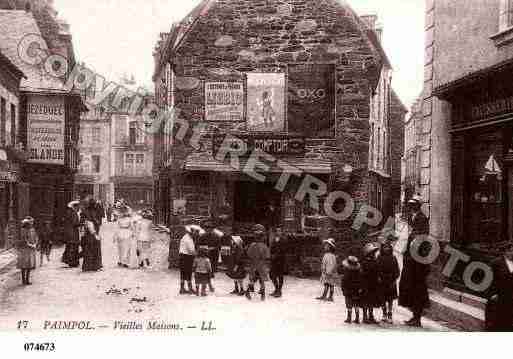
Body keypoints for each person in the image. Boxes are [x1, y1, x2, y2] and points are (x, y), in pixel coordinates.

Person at [399, 195, 430, 327]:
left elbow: (422, 238)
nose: (412, 207)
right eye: (411, 205)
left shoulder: (422, 218)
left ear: (418, 206)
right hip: (410, 258)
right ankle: (414, 316)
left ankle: (417, 317)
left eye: (414, 205)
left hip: (418, 259)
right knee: (409, 286)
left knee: (418, 287)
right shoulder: (412, 218)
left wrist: (412, 239)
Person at [485, 248, 513, 331]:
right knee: (495, 322)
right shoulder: (496, 263)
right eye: (511, 250)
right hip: (498, 297)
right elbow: (488, 280)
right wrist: (492, 294)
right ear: (506, 251)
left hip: (510, 298)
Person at [245, 224, 271, 301]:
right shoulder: (264, 246)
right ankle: (262, 294)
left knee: (253, 280)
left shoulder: (252, 245)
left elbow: (249, 254)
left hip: (254, 265)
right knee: (262, 280)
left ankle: (248, 292)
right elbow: (267, 256)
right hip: (261, 265)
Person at [377, 242, 400, 324]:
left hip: (391, 280)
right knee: (382, 298)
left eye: (388, 247)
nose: (386, 249)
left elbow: (397, 271)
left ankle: (390, 314)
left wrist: (394, 280)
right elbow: (377, 269)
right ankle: (384, 313)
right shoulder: (379, 257)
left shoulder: (393, 258)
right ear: (382, 249)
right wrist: (378, 277)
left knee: (390, 299)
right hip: (382, 280)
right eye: (385, 247)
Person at [361, 242, 382, 324]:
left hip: (374, 284)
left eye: (374, 252)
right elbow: (362, 274)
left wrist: (378, 278)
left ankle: (371, 315)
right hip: (366, 284)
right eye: (372, 252)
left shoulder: (375, 261)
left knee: (372, 301)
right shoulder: (364, 262)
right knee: (365, 301)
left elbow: (378, 272)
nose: (373, 254)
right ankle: (365, 316)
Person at [80, 198, 103, 272]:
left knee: (88, 250)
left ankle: (88, 266)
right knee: (95, 249)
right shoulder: (93, 212)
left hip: (88, 234)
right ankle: (95, 266)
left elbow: (83, 222)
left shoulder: (85, 211)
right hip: (93, 233)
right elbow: (95, 222)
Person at [16, 217, 38, 285]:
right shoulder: (23, 231)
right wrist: (32, 245)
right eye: (29, 223)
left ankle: (27, 280)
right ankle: (23, 280)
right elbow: (24, 241)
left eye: (31, 223)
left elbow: (36, 237)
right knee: (23, 265)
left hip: (30, 250)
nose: (31, 224)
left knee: (29, 265)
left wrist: (35, 243)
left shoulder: (32, 230)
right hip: (24, 250)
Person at [340, 256, 362, 324]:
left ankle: (349, 318)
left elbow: (343, 283)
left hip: (348, 291)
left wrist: (343, 290)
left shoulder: (346, 274)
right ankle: (357, 318)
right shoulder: (358, 273)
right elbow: (361, 282)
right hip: (356, 291)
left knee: (349, 304)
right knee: (356, 304)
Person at [179, 225, 198, 295]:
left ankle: (182, 288)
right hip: (187, 257)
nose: (195, 234)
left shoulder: (185, 237)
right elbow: (191, 250)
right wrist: (197, 254)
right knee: (188, 273)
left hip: (182, 256)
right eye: (195, 232)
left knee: (183, 273)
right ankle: (190, 289)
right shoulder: (188, 239)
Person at [62, 200, 81, 268]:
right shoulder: (73, 213)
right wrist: (81, 223)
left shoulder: (69, 212)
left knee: (70, 246)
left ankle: (70, 261)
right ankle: (72, 262)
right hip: (72, 232)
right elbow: (74, 223)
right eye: (78, 206)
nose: (79, 208)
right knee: (73, 246)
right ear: (75, 207)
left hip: (70, 231)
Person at [270, 227, 286, 298]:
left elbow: (283, 250)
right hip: (274, 260)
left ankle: (279, 291)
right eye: (277, 231)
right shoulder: (274, 240)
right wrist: (271, 255)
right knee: (272, 276)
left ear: (282, 232)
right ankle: (276, 288)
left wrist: (276, 255)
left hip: (280, 260)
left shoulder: (284, 240)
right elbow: (272, 249)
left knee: (280, 276)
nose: (278, 232)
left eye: (279, 231)